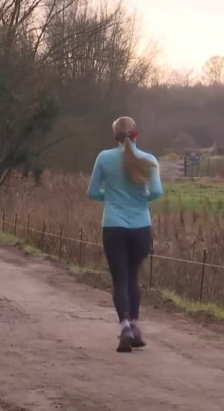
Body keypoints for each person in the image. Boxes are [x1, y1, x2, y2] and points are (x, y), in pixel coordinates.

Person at [87, 116, 163, 353]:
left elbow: (92, 192)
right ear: (136, 134)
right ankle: (137, 325)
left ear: (115, 136)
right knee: (133, 277)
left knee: (119, 279)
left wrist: (109, 197)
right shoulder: (148, 160)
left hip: (113, 225)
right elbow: (157, 192)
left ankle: (125, 327)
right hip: (141, 225)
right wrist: (141, 199)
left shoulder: (104, 158)